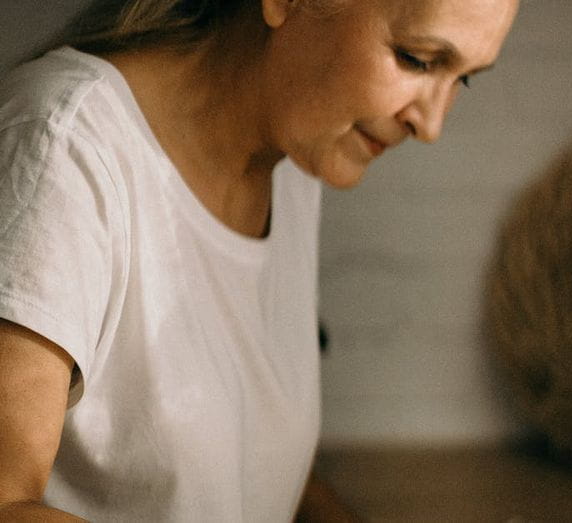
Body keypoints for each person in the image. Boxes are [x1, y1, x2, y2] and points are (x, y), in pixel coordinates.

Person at [0, 0, 519, 520]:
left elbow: (239, 470)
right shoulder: (64, 144)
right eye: (418, 58)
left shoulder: (297, 161)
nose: (430, 126)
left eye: (465, 79)